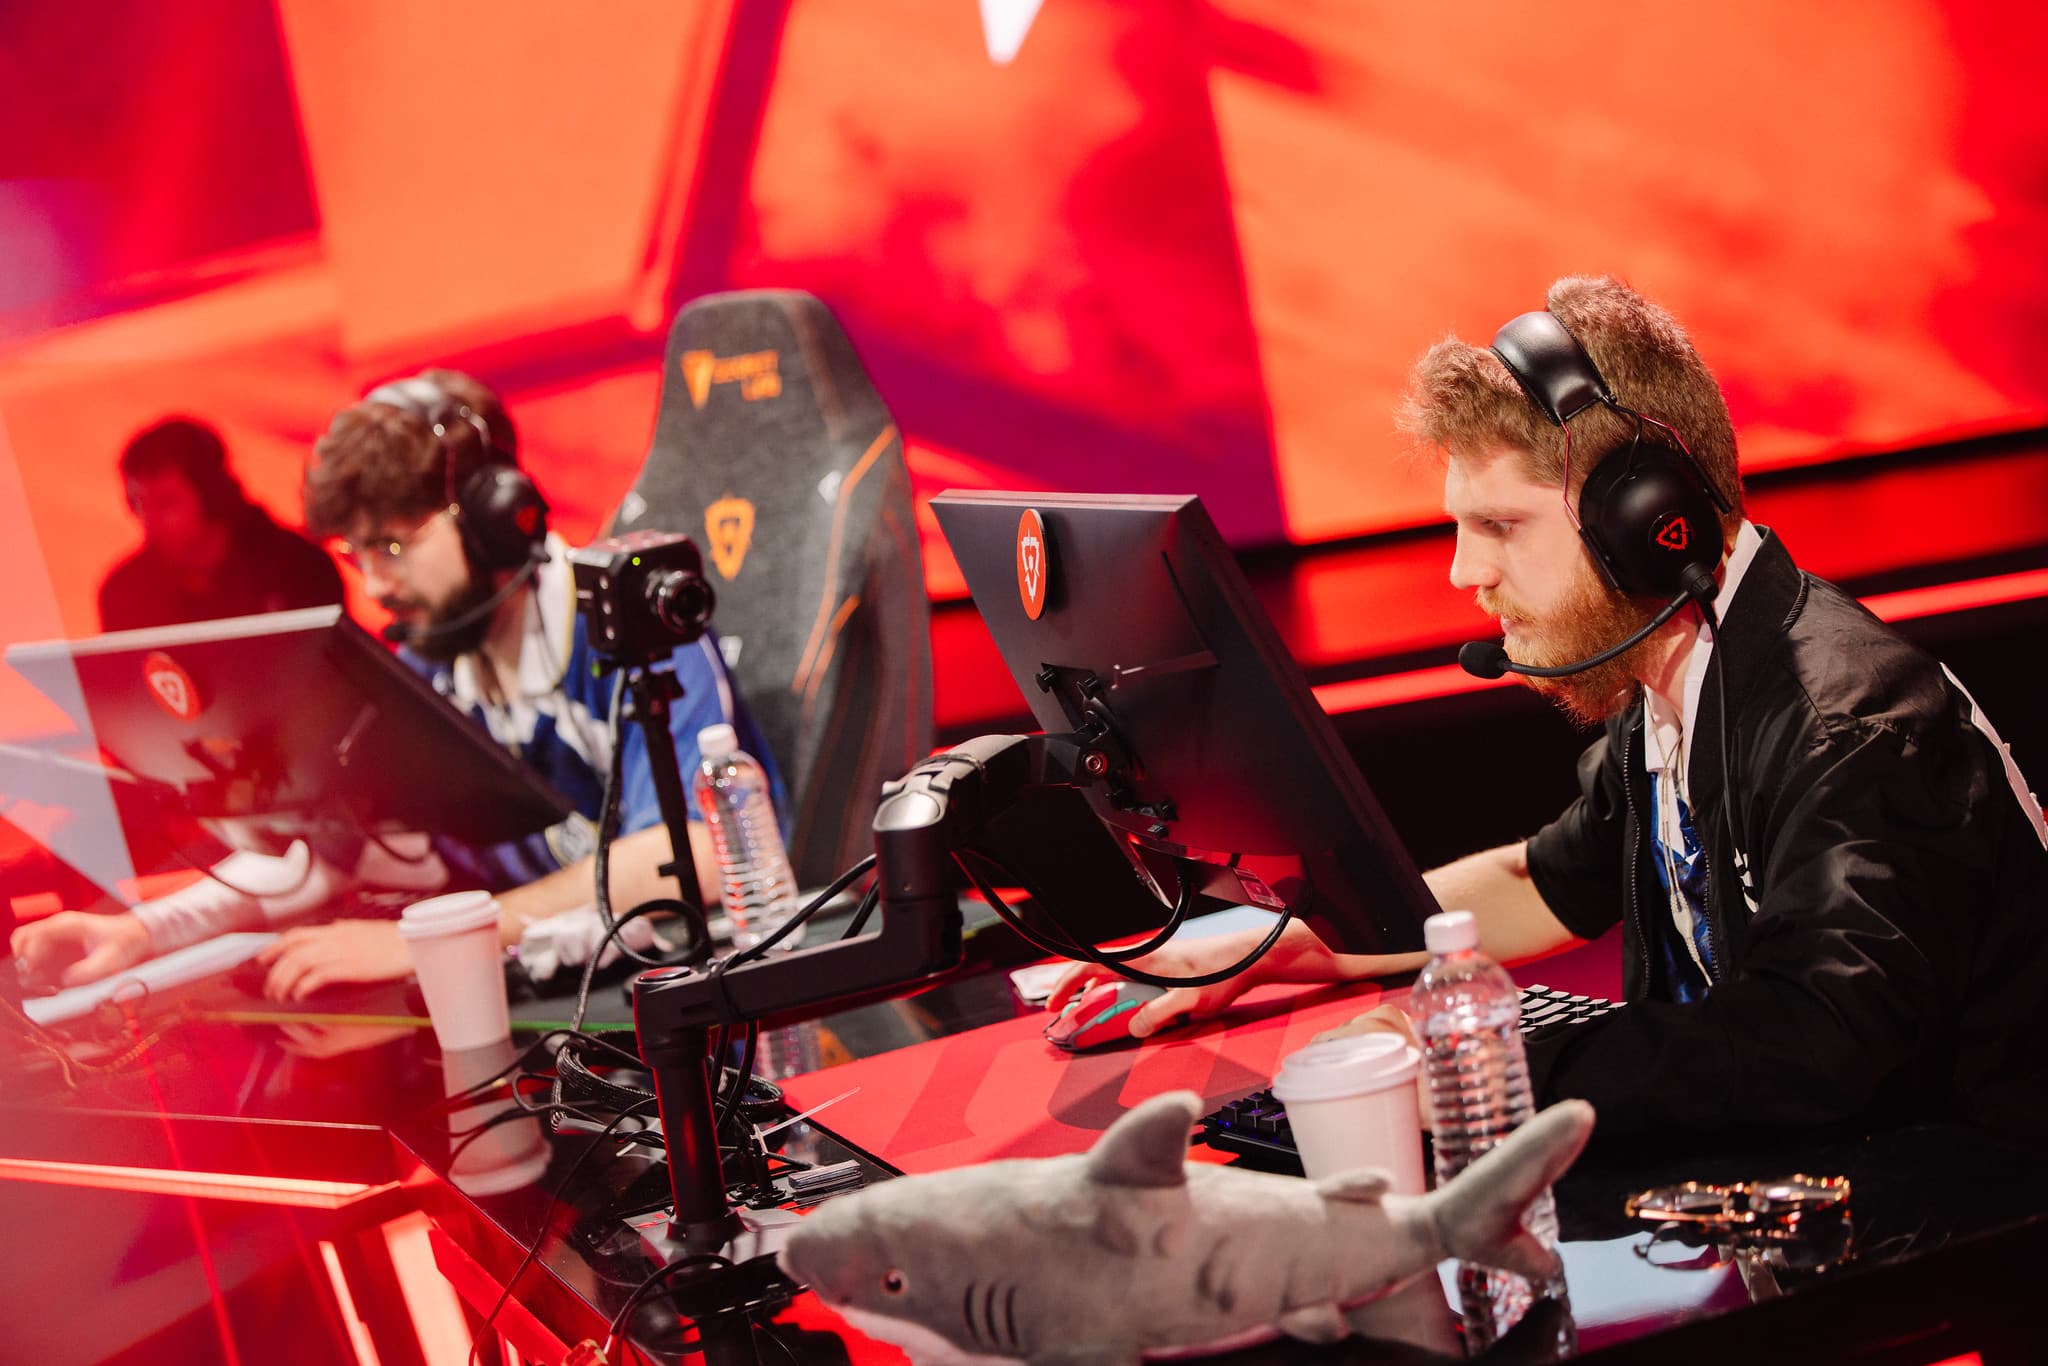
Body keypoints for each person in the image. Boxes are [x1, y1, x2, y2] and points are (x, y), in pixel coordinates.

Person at [1051, 277, 2048, 1143]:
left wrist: (1484, 1066)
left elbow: (1812, 1045)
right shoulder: (1677, 673)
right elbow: (1544, 881)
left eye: (1500, 524)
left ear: (1651, 525)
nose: (1463, 572)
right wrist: (1307, 938)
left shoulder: (1851, 731)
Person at [15, 371, 782, 1002]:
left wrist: (435, 939)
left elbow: (697, 853)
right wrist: (142, 931)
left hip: (676, 996)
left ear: (494, 518)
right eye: (356, 556)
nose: (376, 586)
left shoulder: (629, 626)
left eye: (391, 546)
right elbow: (327, 851)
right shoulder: (423, 666)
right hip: (544, 996)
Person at [96, 416, 346, 631]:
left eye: (166, 503)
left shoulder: (299, 570)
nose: (148, 520)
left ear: (211, 495)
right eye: (137, 504)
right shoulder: (125, 593)